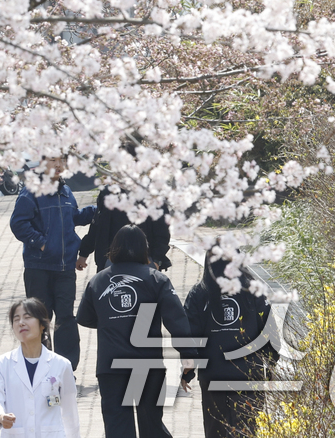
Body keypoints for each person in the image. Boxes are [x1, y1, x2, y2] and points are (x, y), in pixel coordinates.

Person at [77, 225, 196, 438]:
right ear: (144, 249)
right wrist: (188, 356)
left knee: (117, 426)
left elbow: (84, 317)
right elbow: (177, 321)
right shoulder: (156, 280)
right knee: (151, 423)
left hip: (110, 366)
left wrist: (110, 321)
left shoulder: (97, 281)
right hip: (147, 364)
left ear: (113, 249)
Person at [9, 156, 96, 369]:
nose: (59, 165)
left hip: (65, 267)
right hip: (39, 267)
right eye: (53, 160)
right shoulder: (32, 191)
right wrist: (41, 243)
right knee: (40, 320)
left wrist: (96, 210)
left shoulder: (65, 191)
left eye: (62, 160)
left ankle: (66, 368)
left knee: (66, 318)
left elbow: (72, 217)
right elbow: (18, 223)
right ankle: (41, 366)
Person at [183, 249, 278, 438]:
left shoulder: (199, 294)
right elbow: (270, 332)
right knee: (248, 430)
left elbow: (189, 336)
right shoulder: (253, 291)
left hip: (213, 375)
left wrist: (188, 371)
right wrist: (271, 365)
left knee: (215, 431)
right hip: (248, 374)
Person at [0, 298, 80, 438]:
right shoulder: (2, 364)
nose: (21, 322)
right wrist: (0, 416)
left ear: (42, 325)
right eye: (16, 319)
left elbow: (70, 411)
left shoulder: (61, 364)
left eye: (27, 317)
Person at [78, 184, 171, 272]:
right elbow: (97, 227)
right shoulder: (107, 193)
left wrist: (157, 260)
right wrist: (83, 254)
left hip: (144, 259)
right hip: (110, 260)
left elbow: (162, 232)